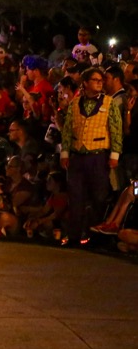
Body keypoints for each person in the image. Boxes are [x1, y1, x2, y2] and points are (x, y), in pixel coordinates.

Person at [60, 67, 122, 246]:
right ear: (85, 83)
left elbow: (116, 130)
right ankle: (73, 236)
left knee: (98, 197)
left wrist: (115, 155)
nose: (99, 83)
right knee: (75, 197)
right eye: (95, 80)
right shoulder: (75, 103)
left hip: (98, 155)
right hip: (78, 155)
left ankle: (94, 237)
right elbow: (67, 130)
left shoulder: (109, 103)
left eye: (101, 80)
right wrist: (65, 152)